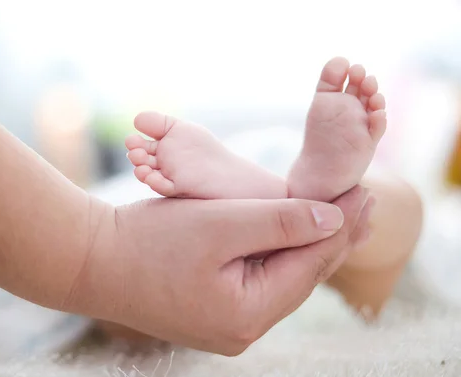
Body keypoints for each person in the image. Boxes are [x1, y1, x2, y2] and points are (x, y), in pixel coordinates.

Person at [0, 2, 373, 356]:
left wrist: (97, 256)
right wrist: (97, 258)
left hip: (69, 232)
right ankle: (287, 190)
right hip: (78, 227)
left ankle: (282, 191)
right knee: (381, 236)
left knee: (375, 218)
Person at [100, 58, 423, 341]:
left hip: (147, 220)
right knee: (395, 220)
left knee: (123, 291)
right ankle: (314, 196)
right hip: (277, 167)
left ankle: (287, 199)